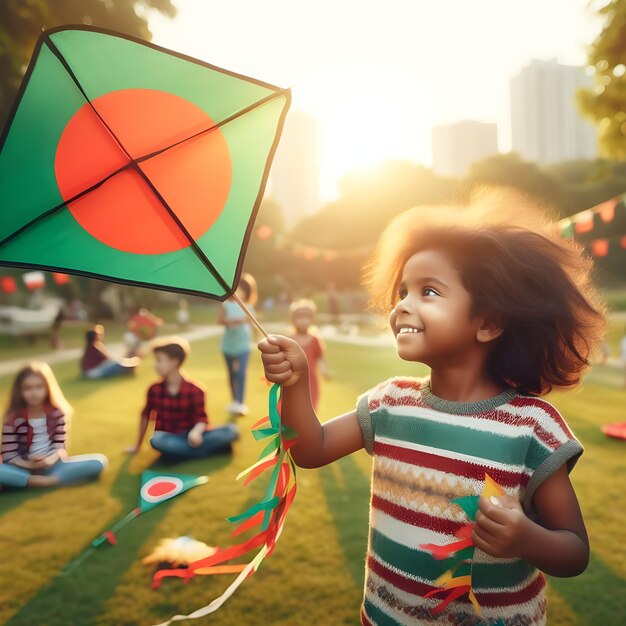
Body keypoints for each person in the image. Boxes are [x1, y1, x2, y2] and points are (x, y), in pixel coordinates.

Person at [258, 189, 605, 625]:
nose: (403, 303)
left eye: (429, 291)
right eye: (403, 290)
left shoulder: (532, 429)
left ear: (489, 322)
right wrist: (296, 383)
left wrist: (526, 538)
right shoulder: (391, 402)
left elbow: (574, 550)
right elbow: (311, 449)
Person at [0, 362, 107, 489]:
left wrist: (48, 461)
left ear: (47, 388)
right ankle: (34, 481)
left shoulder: (58, 414)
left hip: (53, 466)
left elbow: (60, 448)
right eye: (27, 388)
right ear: (20, 391)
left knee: (99, 461)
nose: (34, 393)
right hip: (21, 469)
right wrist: (30, 465)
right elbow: (9, 455)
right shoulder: (12, 419)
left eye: (39, 387)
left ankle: (46, 480)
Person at [126, 338, 238, 458]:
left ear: (174, 361)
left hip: (192, 436)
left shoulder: (196, 389)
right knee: (156, 440)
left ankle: (179, 454)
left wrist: (195, 433)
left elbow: (201, 419)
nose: (155, 365)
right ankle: (207, 450)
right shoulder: (154, 389)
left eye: (159, 360)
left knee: (231, 430)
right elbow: (145, 416)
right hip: (169, 437)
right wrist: (137, 445)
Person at [218, 273, 257, 416]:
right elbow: (220, 320)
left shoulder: (249, 307)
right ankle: (234, 401)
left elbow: (253, 326)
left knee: (241, 374)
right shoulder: (226, 305)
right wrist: (233, 322)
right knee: (232, 374)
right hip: (228, 345)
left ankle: (240, 404)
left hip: (244, 345)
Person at [288, 299, 330, 411]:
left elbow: (320, 358)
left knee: (311, 409)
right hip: (293, 383)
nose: (303, 321)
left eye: (306, 318)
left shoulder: (315, 340)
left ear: (311, 319)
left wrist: (324, 371)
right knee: (294, 409)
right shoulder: (290, 340)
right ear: (294, 320)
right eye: (299, 318)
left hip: (311, 382)